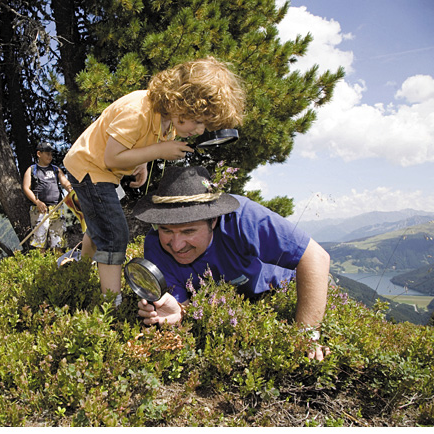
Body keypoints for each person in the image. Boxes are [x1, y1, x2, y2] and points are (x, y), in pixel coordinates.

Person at [63, 56, 245, 305]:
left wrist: (142, 164)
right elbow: (112, 157)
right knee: (115, 233)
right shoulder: (138, 110)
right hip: (90, 168)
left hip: (104, 170)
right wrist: (159, 152)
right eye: (198, 120)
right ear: (181, 100)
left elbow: (139, 145)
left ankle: (80, 270)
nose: (200, 130)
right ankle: (111, 304)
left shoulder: (168, 120)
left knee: (101, 223)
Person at [132, 166, 331, 361]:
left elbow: (316, 257)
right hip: (230, 307)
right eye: (166, 230)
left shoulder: (243, 218)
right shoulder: (155, 247)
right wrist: (179, 312)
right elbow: (181, 304)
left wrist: (305, 335)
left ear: (214, 221)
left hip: (277, 289)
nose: (176, 245)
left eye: (188, 231)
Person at [22, 142, 73, 251]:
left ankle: (58, 265)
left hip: (57, 207)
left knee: (59, 241)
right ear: (39, 154)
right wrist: (37, 202)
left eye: (51, 154)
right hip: (40, 209)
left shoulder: (55, 169)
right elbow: (26, 188)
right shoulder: (31, 170)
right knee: (40, 241)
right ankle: (41, 265)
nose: (50, 156)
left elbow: (64, 181)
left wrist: (69, 188)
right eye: (47, 154)